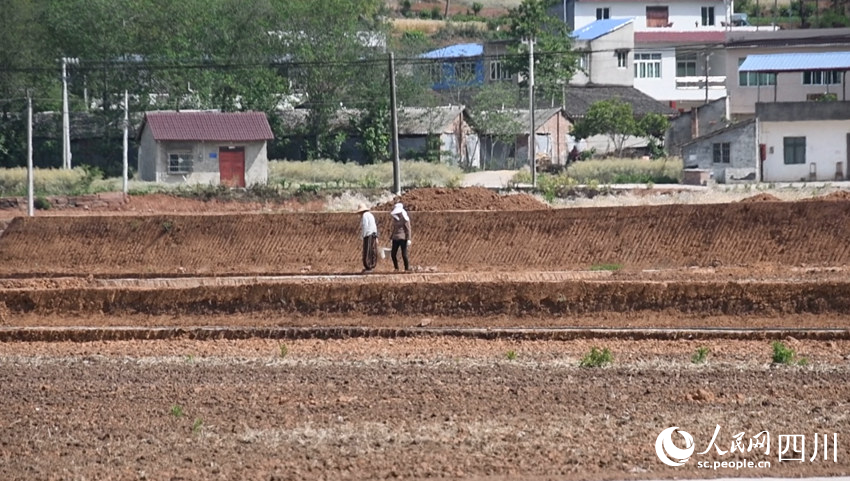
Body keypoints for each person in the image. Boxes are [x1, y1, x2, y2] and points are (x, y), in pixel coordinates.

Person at [389, 202, 411, 272]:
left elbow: (408, 229)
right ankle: (396, 268)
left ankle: (406, 268)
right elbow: (394, 229)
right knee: (393, 254)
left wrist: (408, 238)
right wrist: (391, 237)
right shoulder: (395, 218)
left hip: (402, 238)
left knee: (404, 254)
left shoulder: (405, 219)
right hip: (395, 238)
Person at [357, 203, 378, 273]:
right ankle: (372, 265)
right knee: (372, 250)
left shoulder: (365, 216)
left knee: (367, 251)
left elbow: (365, 226)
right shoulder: (370, 215)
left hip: (368, 234)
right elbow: (374, 226)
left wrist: (363, 235)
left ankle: (368, 266)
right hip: (373, 234)